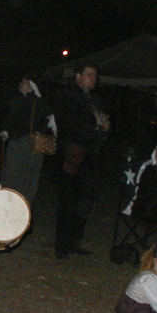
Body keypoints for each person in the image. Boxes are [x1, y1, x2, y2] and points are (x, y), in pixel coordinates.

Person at [53, 64, 110, 258]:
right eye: (89, 74)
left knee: (85, 200)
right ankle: (62, 246)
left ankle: (74, 240)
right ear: (78, 76)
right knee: (68, 200)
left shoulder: (94, 99)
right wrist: (93, 122)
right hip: (72, 154)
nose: (93, 78)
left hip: (91, 155)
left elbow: (101, 124)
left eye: (95, 75)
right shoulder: (68, 96)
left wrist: (102, 126)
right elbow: (70, 124)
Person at [0, 76, 56, 203]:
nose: (21, 84)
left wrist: (38, 131)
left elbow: (47, 119)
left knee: (23, 173)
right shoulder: (19, 99)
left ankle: (20, 201)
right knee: (16, 172)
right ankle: (13, 200)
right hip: (18, 141)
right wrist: (6, 131)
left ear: (31, 85)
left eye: (24, 82)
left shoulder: (36, 101)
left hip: (29, 143)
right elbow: (11, 118)